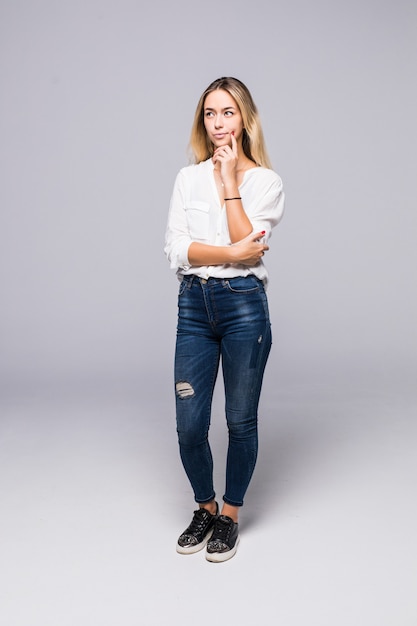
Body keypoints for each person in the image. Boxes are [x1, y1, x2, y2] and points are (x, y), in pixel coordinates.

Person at [164, 77, 284, 562]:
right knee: (189, 425)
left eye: (228, 113)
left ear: (245, 119)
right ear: (203, 120)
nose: (218, 123)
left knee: (239, 419)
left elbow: (249, 245)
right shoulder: (186, 178)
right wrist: (231, 251)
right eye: (211, 113)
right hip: (194, 305)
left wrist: (231, 181)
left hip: (243, 306)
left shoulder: (266, 182)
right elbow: (176, 250)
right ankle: (205, 507)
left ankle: (230, 515)